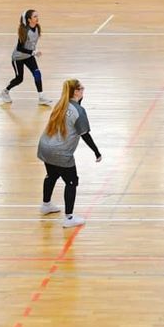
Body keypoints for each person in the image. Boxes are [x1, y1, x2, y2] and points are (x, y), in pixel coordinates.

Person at [37, 79, 102, 228]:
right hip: (60, 152)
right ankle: (69, 217)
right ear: (76, 92)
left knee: (51, 175)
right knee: (71, 182)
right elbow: (85, 134)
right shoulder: (79, 111)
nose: (84, 90)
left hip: (45, 146)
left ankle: (46, 205)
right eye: (82, 88)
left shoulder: (60, 104)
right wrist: (96, 152)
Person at [0, 9, 52, 106]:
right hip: (18, 57)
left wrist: (35, 50)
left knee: (37, 73)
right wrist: (33, 52)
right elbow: (20, 48)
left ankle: (41, 96)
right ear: (29, 20)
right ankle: (5, 92)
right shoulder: (25, 31)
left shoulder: (37, 28)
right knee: (19, 79)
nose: (37, 18)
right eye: (35, 16)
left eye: (37, 16)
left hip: (28, 56)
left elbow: (32, 43)